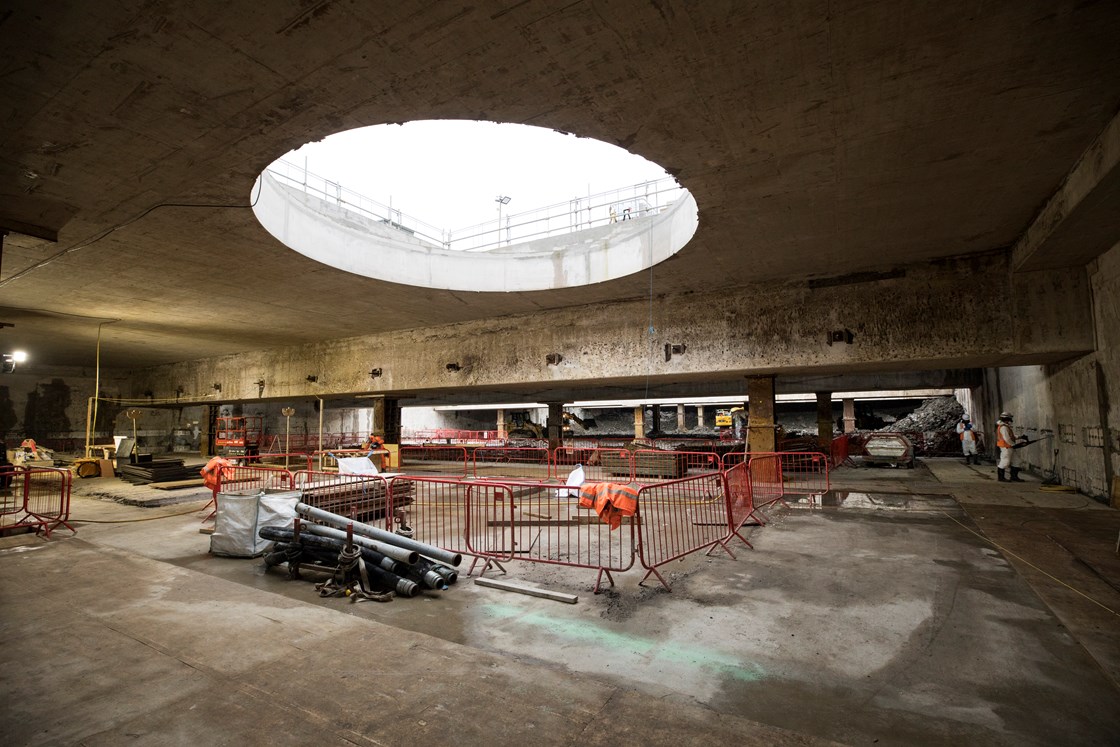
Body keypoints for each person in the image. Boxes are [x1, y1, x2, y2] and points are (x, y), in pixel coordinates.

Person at [995, 411, 1026, 482]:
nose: (1010, 421)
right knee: (1005, 462)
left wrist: (1020, 437)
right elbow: (1006, 438)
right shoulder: (1003, 427)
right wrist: (1013, 445)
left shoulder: (1005, 426)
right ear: (1007, 419)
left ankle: (1014, 477)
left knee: (1017, 461)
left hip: (1009, 447)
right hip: (1006, 447)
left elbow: (1011, 436)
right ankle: (1001, 478)